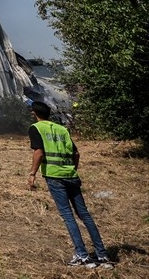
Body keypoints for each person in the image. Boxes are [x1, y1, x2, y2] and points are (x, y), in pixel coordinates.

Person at [28, 100, 113, 269]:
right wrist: (71, 169)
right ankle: (102, 255)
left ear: (34, 113)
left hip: (54, 176)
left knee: (67, 215)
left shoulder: (36, 128)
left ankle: (82, 256)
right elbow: (76, 153)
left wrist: (32, 173)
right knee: (84, 214)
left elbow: (39, 152)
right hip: (71, 175)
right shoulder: (62, 129)